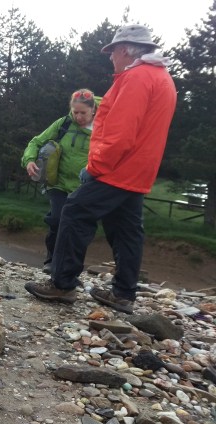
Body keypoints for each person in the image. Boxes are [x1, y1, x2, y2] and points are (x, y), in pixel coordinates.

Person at [24, 24, 177, 314]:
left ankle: (62, 284)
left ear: (124, 50)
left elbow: (120, 134)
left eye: (112, 51)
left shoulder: (137, 78)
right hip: (139, 169)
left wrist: (95, 167)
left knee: (74, 211)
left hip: (118, 168)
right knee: (127, 229)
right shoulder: (162, 77)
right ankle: (123, 294)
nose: (110, 57)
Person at [22, 89, 99, 274]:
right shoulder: (64, 123)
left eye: (83, 113)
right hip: (59, 183)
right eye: (75, 112)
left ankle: (69, 269)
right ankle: (51, 261)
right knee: (57, 219)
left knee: (78, 228)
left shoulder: (104, 128)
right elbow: (36, 142)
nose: (78, 117)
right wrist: (29, 160)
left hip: (85, 187)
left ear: (93, 110)